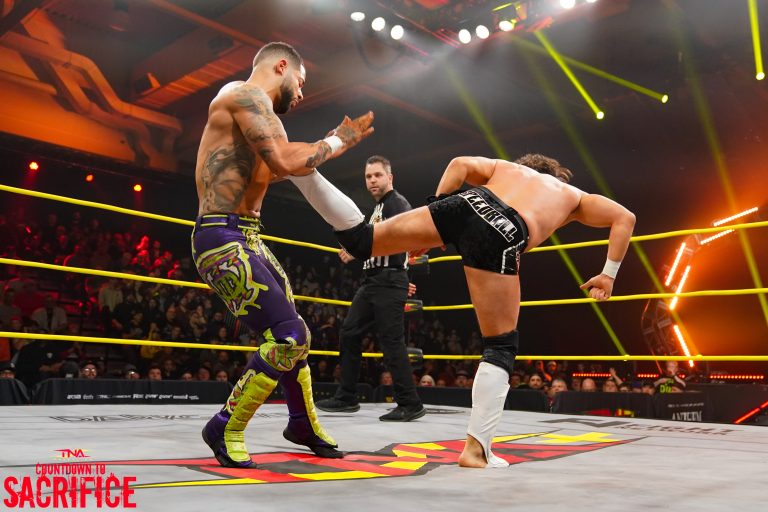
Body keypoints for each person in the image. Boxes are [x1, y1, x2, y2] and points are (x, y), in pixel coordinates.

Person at [289, 153, 634, 468]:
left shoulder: (506, 168)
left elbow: (459, 164)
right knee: (501, 345)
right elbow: (624, 217)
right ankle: (476, 451)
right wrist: (608, 274)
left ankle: (300, 172)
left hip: (465, 203)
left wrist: (437, 221)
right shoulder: (572, 196)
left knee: (362, 240)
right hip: (504, 229)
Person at [192, 41, 374, 469]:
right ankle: (224, 426)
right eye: (302, 81)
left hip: (248, 236)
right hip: (221, 236)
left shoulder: (260, 115)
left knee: (297, 335)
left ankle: (302, 425)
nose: (302, 92)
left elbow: (277, 168)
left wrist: (319, 151)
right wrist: (338, 140)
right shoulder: (244, 95)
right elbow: (287, 161)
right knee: (290, 335)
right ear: (281, 67)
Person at [315, 156, 425, 421]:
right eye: (368, 176)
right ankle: (347, 396)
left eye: (377, 175)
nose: (372, 180)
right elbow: (375, 241)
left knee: (391, 342)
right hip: (373, 281)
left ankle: (410, 403)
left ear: (390, 177)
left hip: (388, 281)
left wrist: (362, 254)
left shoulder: (396, 203)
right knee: (350, 332)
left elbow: (403, 237)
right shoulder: (379, 208)